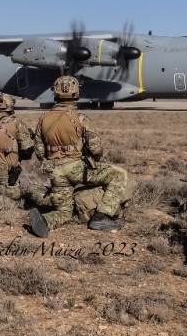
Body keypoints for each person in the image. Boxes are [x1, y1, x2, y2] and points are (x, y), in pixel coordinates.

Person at [28, 76, 128, 237]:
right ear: (76, 94)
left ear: (55, 94)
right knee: (119, 175)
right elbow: (96, 148)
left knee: (64, 212)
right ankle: (101, 216)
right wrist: (93, 158)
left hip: (55, 172)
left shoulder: (43, 119)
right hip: (77, 168)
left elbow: (39, 150)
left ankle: (45, 221)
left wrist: (53, 160)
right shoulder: (80, 118)